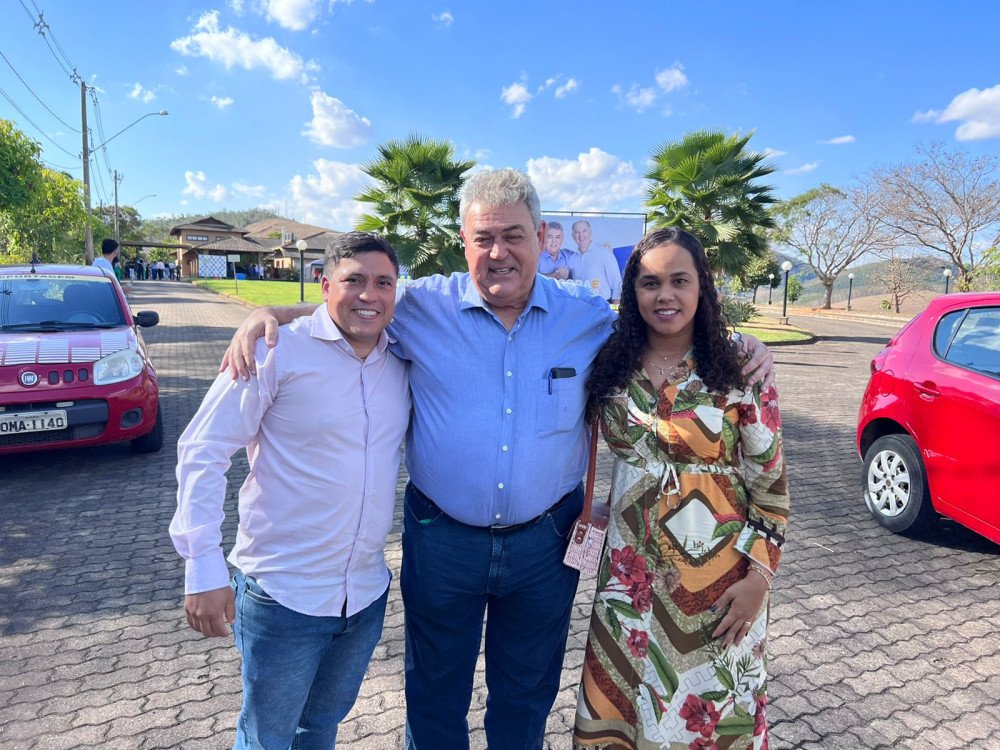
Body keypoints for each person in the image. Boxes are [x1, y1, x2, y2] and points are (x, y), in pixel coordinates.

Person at [221, 170, 774, 750]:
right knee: (434, 697)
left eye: (513, 235)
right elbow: (351, 304)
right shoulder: (419, 308)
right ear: (464, 242)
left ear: (540, 235)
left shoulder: (584, 316)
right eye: (483, 238)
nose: (498, 252)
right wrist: (272, 317)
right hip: (443, 540)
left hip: (546, 545)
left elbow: (667, 326)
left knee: (525, 698)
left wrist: (740, 345)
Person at [170, 232, 410, 749]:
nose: (369, 294)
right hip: (283, 596)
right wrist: (202, 567)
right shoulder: (275, 350)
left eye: (383, 282)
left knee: (319, 729)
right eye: (353, 281)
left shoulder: (402, 359)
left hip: (364, 595)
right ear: (324, 286)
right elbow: (203, 449)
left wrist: (275, 308)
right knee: (266, 737)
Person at [573, 227, 789, 750]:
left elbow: (772, 488)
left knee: (703, 717)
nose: (664, 295)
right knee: (618, 708)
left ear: (701, 287)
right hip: (629, 582)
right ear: (633, 292)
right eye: (649, 283)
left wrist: (760, 578)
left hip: (716, 584)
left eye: (679, 280)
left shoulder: (739, 366)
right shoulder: (611, 362)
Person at [573, 219, 623, 304]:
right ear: (573, 235)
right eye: (577, 232)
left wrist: (616, 309)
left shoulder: (604, 253)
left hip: (602, 305)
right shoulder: (571, 258)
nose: (581, 235)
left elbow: (616, 283)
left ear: (590, 232)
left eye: (584, 231)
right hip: (579, 306)